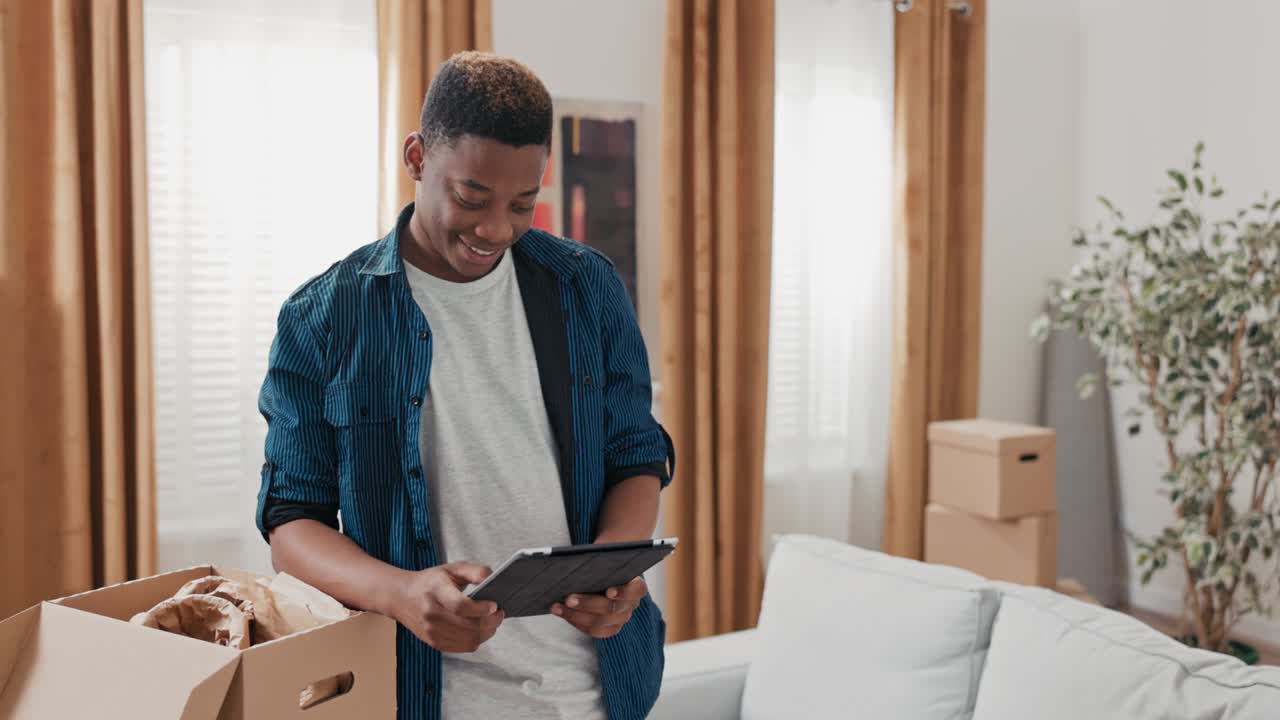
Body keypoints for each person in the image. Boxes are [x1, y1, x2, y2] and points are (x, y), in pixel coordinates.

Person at [255, 52, 673, 720]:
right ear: (418, 158)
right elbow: (290, 520)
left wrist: (612, 569)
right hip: (420, 694)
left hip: (597, 692)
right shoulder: (325, 318)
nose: (495, 230)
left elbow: (637, 456)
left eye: (522, 205)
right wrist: (400, 593)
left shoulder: (588, 288)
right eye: (470, 198)